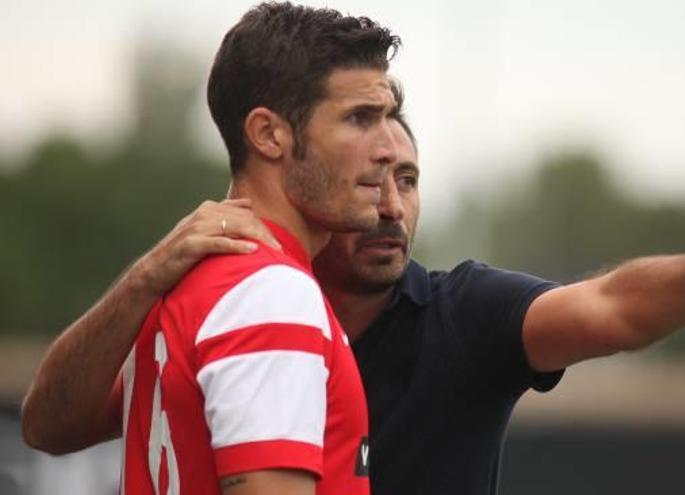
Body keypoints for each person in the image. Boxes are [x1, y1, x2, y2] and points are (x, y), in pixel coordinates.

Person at [23, 55, 685, 495]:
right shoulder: (243, 307)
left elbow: (611, 306)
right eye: (372, 168)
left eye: (411, 180)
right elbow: (51, 425)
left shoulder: (465, 313)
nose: (390, 202)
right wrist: (138, 283)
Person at [22, 3, 403, 494]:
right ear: (269, 134)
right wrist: (141, 277)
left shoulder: (196, 280)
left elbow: (46, 427)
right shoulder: (271, 292)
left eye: (386, 117)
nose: (388, 147)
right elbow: (45, 426)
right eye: (359, 118)